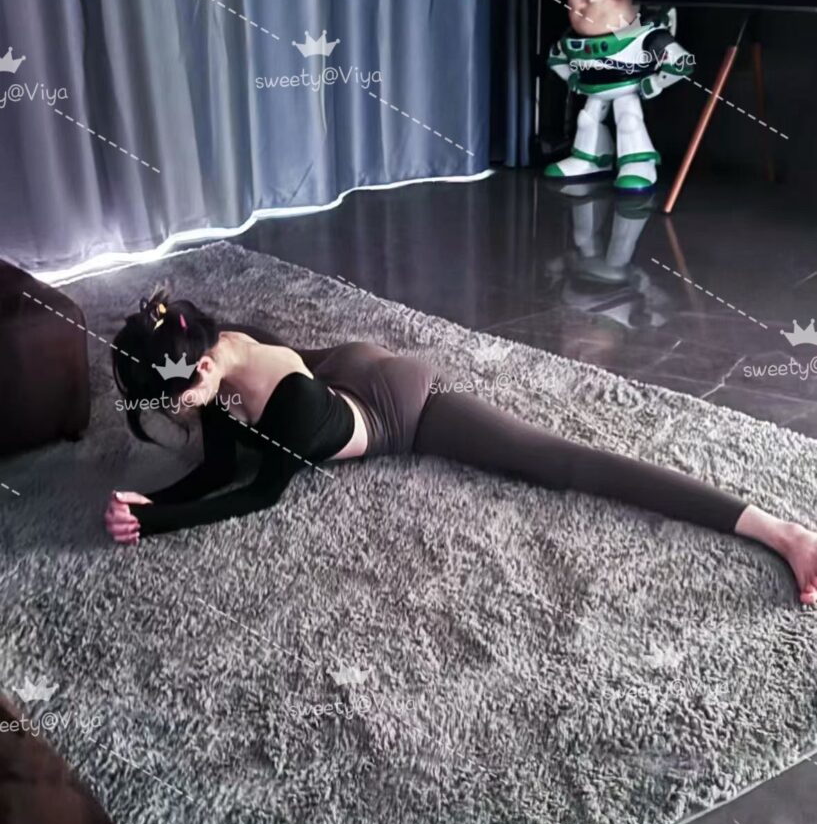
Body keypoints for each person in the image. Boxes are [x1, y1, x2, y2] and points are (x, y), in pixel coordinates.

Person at [106, 290, 817, 604]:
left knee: (559, 461)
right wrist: (149, 501)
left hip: (401, 403)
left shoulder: (269, 397)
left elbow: (258, 492)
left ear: (202, 368)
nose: (171, 415)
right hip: (333, 368)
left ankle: (782, 531)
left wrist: (156, 520)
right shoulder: (216, 351)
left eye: (171, 402)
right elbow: (216, 465)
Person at [544, 0, 694, 192]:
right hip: (593, 89)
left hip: (628, 89)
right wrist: (572, 78)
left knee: (628, 120)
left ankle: (638, 163)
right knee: (587, 120)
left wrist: (656, 82)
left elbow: (681, 62)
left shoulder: (647, 35)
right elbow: (556, 59)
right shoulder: (570, 42)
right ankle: (591, 158)